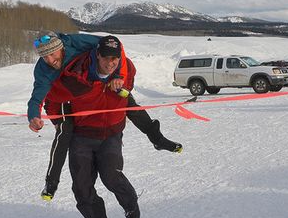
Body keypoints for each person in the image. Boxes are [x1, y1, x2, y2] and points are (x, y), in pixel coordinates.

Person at [28, 30, 182, 201]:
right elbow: (36, 97)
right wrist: (33, 116)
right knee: (64, 131)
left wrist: (118, 76)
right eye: (44, 56)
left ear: (60, 46)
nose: (50, 60)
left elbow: (114, 46)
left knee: (127, 103)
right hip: (66, 93)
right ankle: (51, 182)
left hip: (96, 80)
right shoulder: (43, 70)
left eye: (51, 53)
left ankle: (157, 139)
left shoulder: (74, 42)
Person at [45, 35, 140, 218]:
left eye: (114, 59)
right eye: (105, 58)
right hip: (82, 135)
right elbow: (53, 95)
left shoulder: (125, 69)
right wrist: (56, 119)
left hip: (111, 134)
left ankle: (130, 202)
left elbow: (130, 84)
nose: (110, 63)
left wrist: (122, 82)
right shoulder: (77, 72)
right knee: (81, 186)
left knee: (111, 176)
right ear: (97, 55)